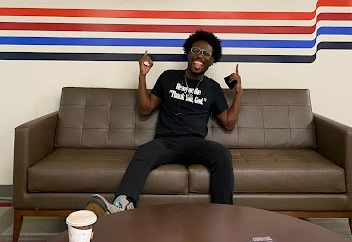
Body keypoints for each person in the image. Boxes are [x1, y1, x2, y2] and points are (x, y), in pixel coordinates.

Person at [85, 30, 242, 215]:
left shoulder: (213, 88)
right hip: (166, 142)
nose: (200, 55)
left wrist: (238, 92)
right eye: (196, 50)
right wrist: (142, 76)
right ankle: (121, 206)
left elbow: (228, 123)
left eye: (206, 53)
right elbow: (145, 109)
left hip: (196, 144)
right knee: (144, 151)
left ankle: (224, 215)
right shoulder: (168, 77)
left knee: (222, 153)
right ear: (188, 53)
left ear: (212, 60)